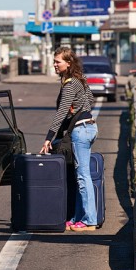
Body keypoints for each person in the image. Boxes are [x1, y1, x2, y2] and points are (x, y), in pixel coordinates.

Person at [40, 47, 98, 232]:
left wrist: (49, 138)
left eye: (58, 61)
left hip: (81, 130)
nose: (55, 65)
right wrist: (79, 106)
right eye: (55, 61)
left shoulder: (70, 84)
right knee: (80, 175)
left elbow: (61, 112)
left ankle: (90, 220)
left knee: (83, 176)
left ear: (68, 63)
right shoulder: (79, 79)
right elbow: (91, 99)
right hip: (88, 127)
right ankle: (78, 217)